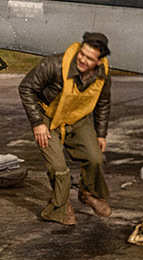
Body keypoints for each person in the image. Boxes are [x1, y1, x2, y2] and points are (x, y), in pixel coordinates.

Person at [18, 32, 112, 225]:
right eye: (82, 54)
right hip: (49, 119)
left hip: (77, 119)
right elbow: (26, 87)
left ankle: (88, 194)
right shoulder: (54, 64)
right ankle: (60, 207)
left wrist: (101, 134)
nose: (83, 60)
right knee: (59, 168)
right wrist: (38, 123)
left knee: (95, 157)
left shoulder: (103, 75)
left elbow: (103, 103)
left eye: (90, 58)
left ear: (99, 61)